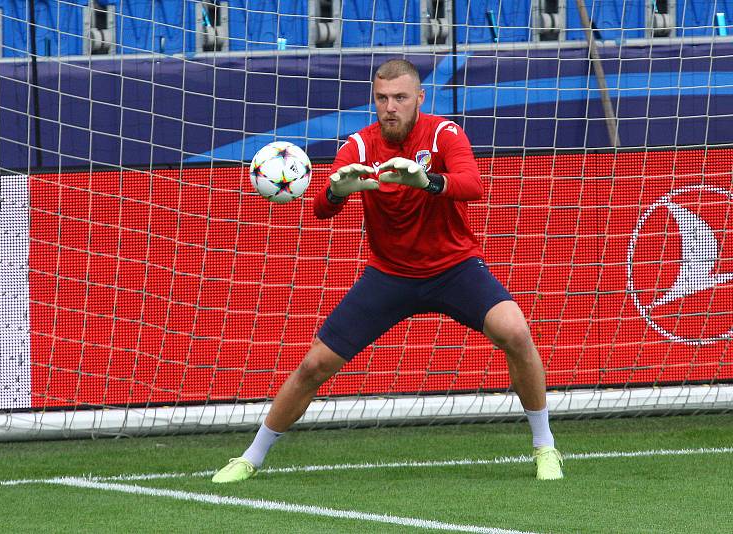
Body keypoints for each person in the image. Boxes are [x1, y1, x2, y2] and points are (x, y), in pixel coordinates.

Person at [212, 59, 563, 483]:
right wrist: (337, 190)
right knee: (314, 366)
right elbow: (322, 208)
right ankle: (250, 457)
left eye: (399, 97)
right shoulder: (359, 145)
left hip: (454, 267)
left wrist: (428, 181)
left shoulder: (442, 132)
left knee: (516, 332)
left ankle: (546, 447)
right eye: (382, 98)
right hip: (389, 275)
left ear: (419, 98)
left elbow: (473, 185)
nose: (390, 107)